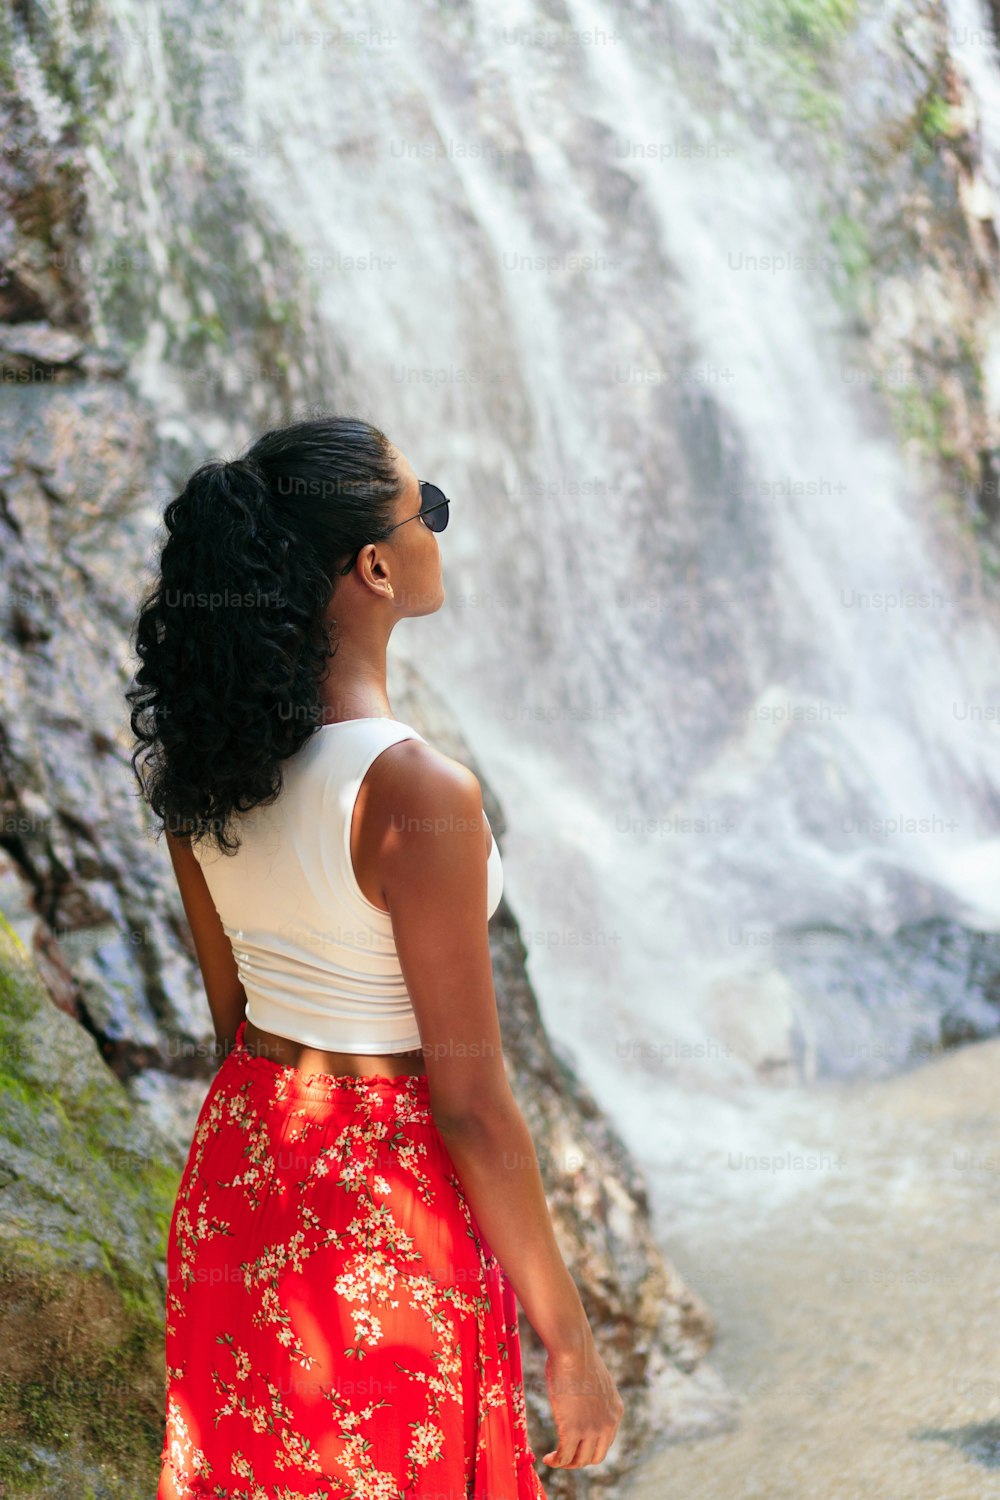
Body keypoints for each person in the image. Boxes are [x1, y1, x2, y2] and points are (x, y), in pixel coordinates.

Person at [127, 412, 623, 1497]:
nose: (440, 531)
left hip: (247, 1161)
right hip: (381, 1209)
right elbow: (472, 1108)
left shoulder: (209, 767)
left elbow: (234, 1023)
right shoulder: (416, 794)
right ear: (377, 565)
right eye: (428, 509)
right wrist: (572, 1346)